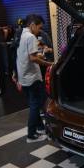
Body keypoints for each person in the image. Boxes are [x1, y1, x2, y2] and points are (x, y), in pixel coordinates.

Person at [16, 14, 53, 143]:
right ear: (32, 25)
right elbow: (32, 58)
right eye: (39, 27)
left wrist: (39, 56)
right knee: (36, 105)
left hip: (24, 76)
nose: (39, 30)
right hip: (32, 77)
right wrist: (49, 64)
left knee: (35, 103)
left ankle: (40, 128)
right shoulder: (31, 36)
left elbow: (28, 55)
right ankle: (31, 135)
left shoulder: (21, 34)